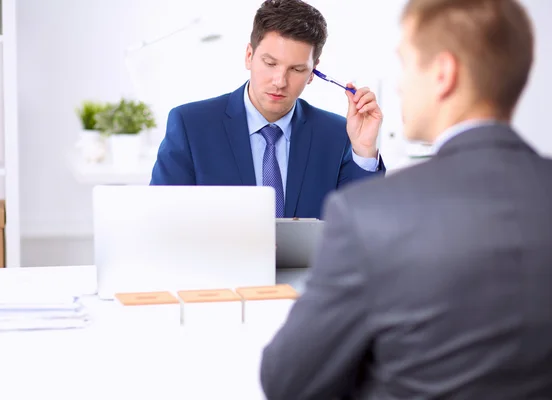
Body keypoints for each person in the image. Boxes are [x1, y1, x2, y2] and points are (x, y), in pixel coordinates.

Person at [260, 0, 552, 398]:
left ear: (443, 74)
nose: (398, 84)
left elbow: (289, 382)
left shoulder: (370, 214)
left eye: (405, 63)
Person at [150, 0, 385, 218]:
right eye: (270, 63)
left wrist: (364, 150)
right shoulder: (191, 126)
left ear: (313, 72)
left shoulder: (337, 134)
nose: (279, 81)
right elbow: (162, 220)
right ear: (249, 56)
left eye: (296, 69)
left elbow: (361, 226)